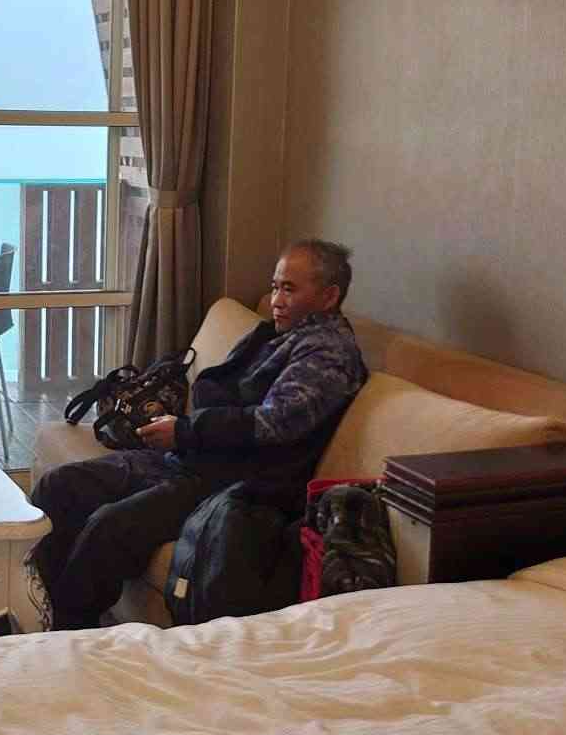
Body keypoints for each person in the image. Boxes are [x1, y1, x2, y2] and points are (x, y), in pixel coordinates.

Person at [29, 239, 370, 631]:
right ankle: (34, 608)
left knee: (109, 527)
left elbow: (274, 422)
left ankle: (67, 633)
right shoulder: (276, 334)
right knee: (60, 486)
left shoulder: (328, 353)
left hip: (233, 482)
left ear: (329, 296)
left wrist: (185, 429)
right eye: (275, 286)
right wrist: (185, 430)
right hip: (193, 457)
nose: (276, 300)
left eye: (289, 289)